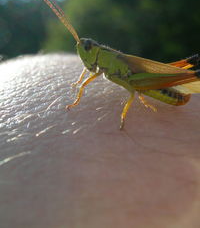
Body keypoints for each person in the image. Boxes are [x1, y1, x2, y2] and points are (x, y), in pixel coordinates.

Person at [1, 54, 200, 227]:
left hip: (158, 87)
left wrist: (123, 117)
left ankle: (193, 75)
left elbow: (131, 89)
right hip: (149, 85)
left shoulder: (113, 61)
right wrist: (77, 90)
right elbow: (86, 78)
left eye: (87, 47)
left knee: (139, 86)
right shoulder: (101, 67)